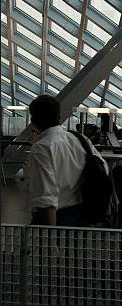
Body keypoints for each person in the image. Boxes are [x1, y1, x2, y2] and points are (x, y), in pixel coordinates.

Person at [24, 95, 108, 226]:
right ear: (59, 117)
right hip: (83, 212)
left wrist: (50, 235)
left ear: (33, 121)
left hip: (58, 218)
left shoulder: (41, 148)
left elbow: (45, 199)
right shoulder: (80, 139)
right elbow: (103, 168)